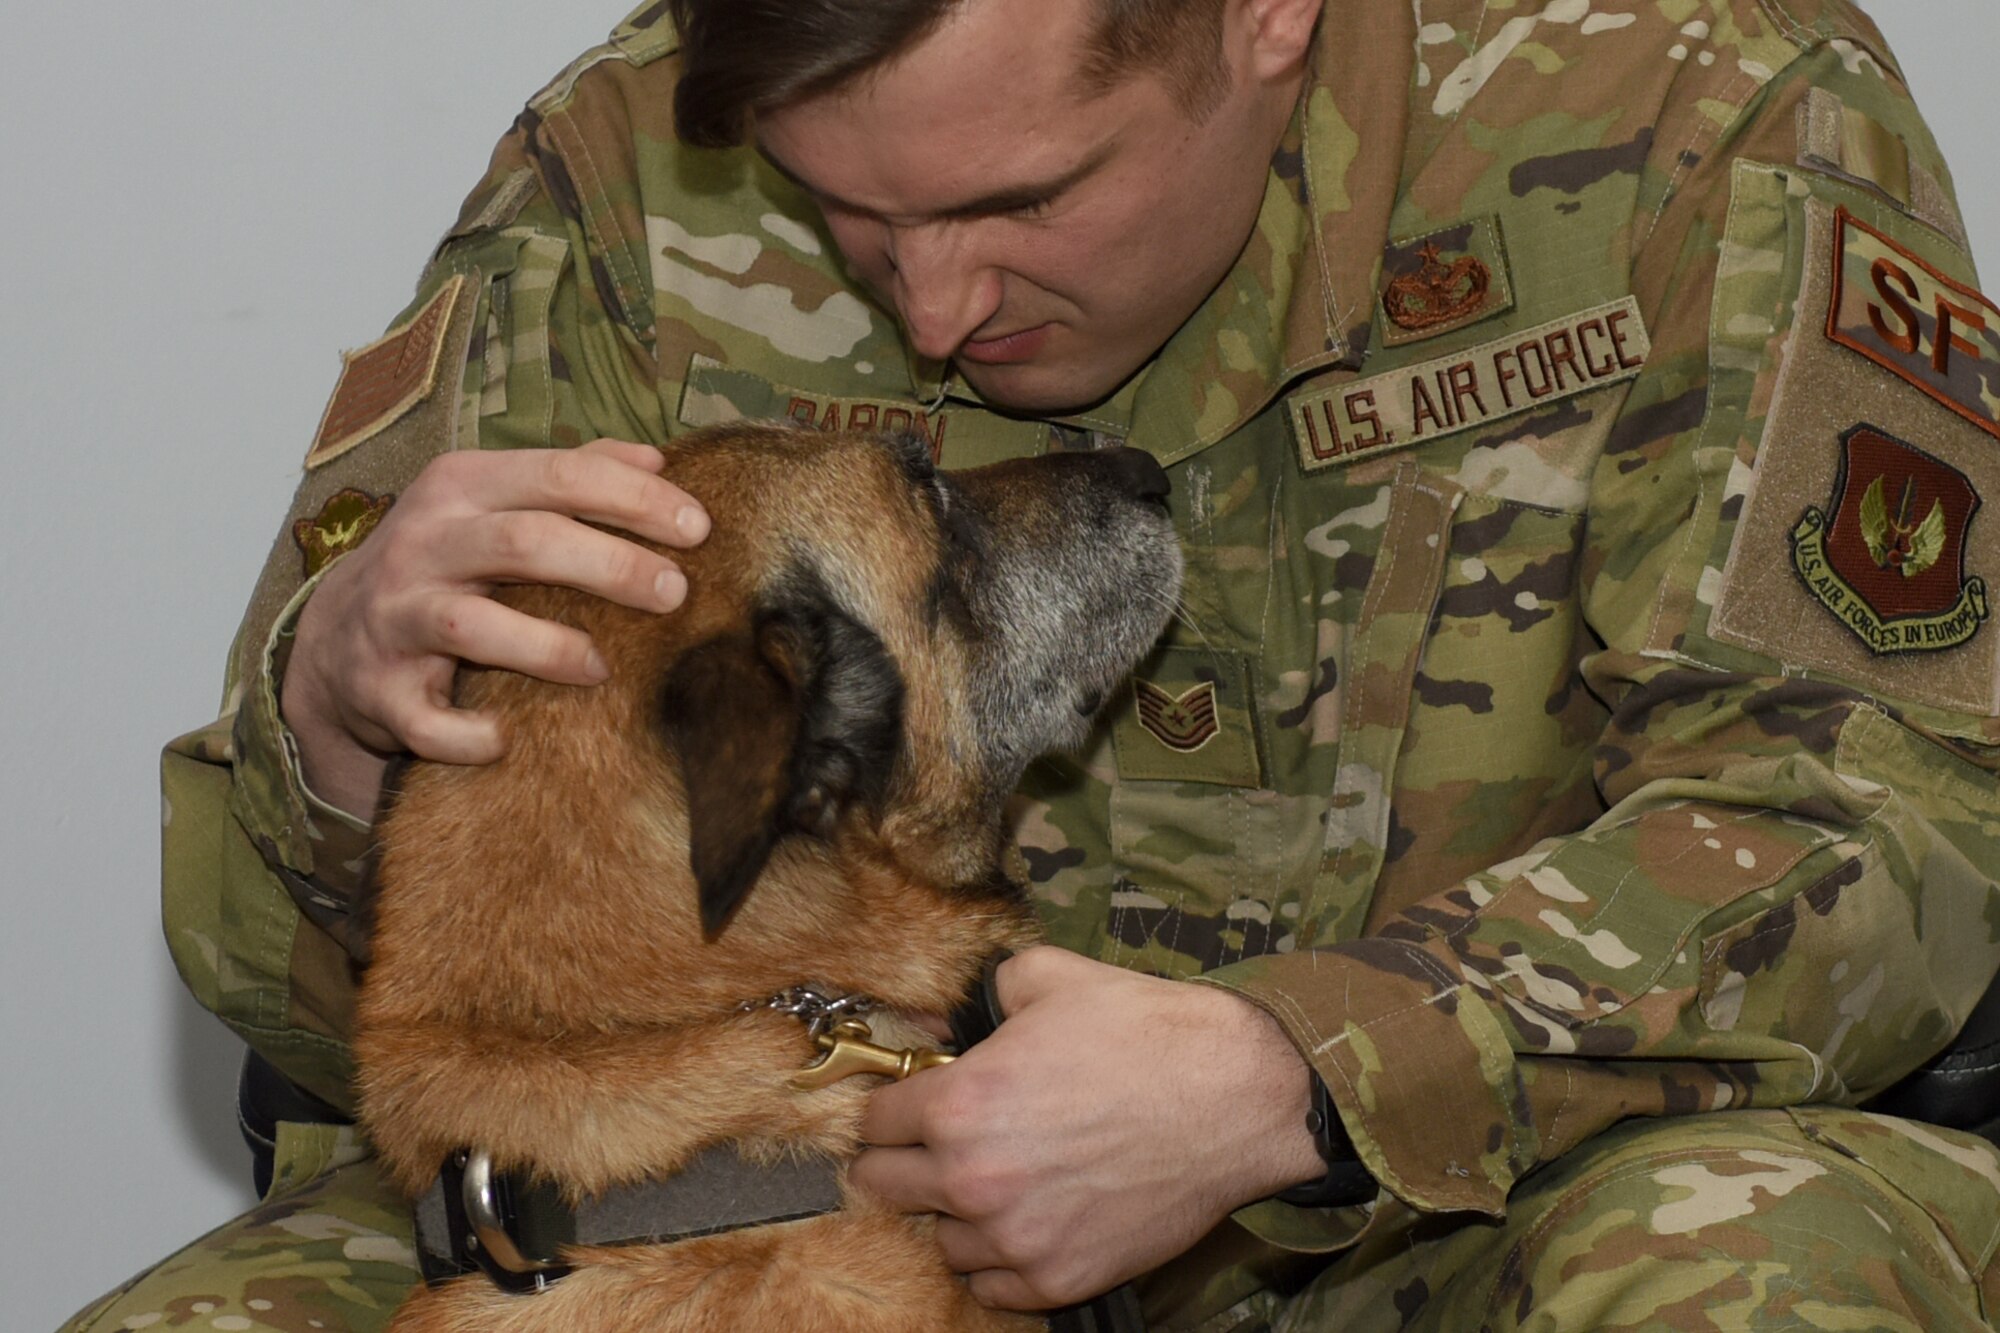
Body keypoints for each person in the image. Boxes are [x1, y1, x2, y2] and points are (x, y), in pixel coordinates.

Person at [66, 0, 2000, 1328]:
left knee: (1743, 1271)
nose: (933, 304)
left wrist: (1299, 1076)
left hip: (1455, 1229)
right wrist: (328, 730)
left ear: (1266, 15)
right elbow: (328, 1026)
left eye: (1018, 201)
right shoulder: (623, 177)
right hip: (730, 1222)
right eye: (849, 211)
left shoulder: (1694, 113)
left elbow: (1891, 824)